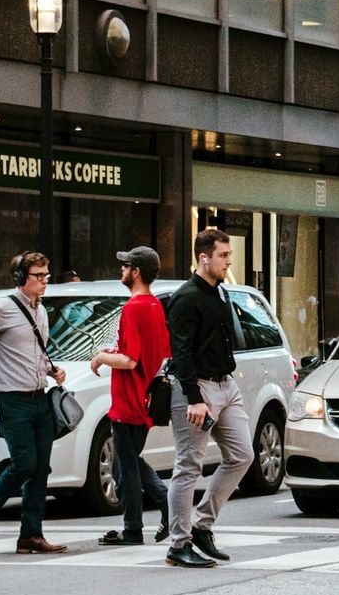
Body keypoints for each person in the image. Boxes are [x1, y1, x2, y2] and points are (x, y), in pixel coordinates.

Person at [0, 251, 68, 554]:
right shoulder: (1, 308)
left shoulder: (40, 310)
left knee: (40, 469)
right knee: (24, 463)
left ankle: (31, 534)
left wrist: (50, 369)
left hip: (39, 397)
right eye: (38, 276)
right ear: (21, 277)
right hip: (11, 399)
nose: (45, 281)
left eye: (47, 275)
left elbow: (31, 352)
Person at [163, 228, 253, 568]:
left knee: (242, 455)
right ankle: (178, 543)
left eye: (229, 255)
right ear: (205, 258)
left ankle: (202, 525)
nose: (229, 261)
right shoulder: (186, 298)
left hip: (226, 386)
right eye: (224, 256)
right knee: (188, 467)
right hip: (196, 389)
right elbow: (181, 353)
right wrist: (193, 397)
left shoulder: (221, 292)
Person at [90, 246, 171, 546]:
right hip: (146, 396)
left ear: (136, 271)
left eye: (125, 266)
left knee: (126, 464)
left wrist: (101, 357)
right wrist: (115, 352)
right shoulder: (154, 306)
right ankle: (145, 519)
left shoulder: (134, 307)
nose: (121, 270)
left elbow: (131, 360)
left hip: (130, 397)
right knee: (127, 462)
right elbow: (155, 351)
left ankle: (139, 525)